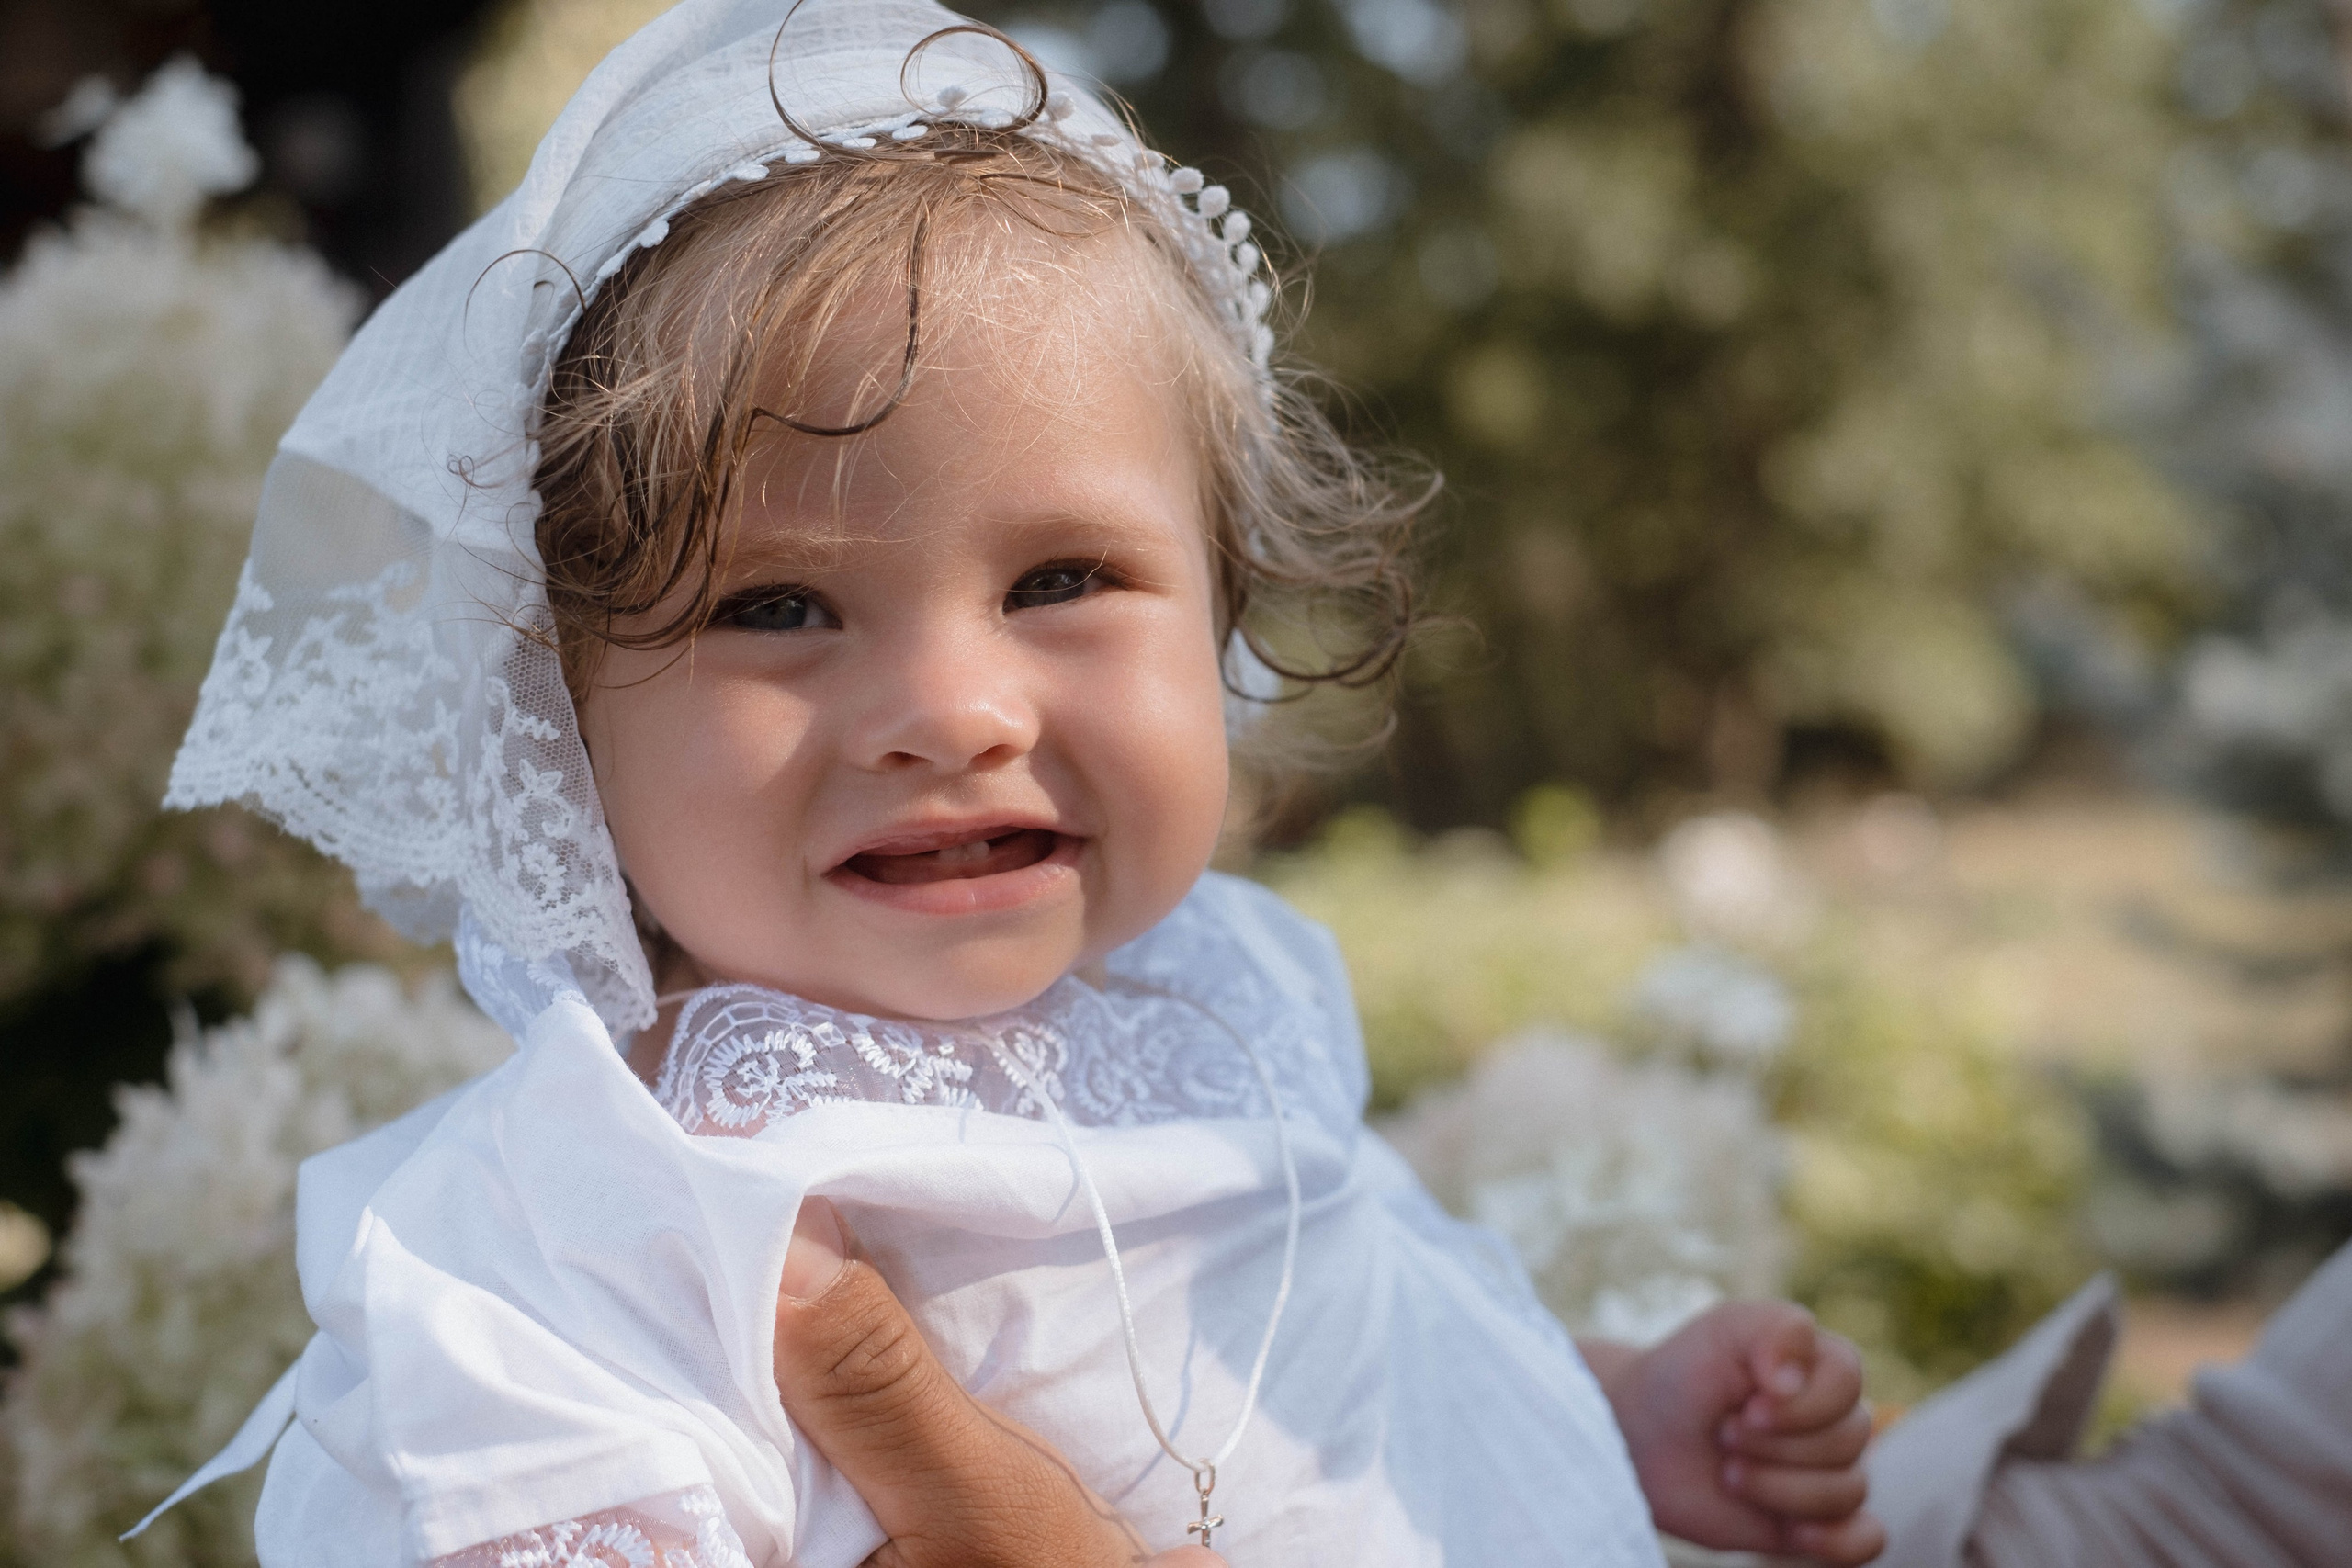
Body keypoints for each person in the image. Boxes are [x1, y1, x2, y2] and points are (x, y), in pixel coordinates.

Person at [151, 2, 1883, 1562]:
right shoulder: (625, 1205)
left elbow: (1347, 1339)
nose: (953, 710)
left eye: (1060, 583)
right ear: (560, 719)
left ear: (1223, 602)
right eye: (775, 606)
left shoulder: (1233, 996)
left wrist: (1600, 1411)